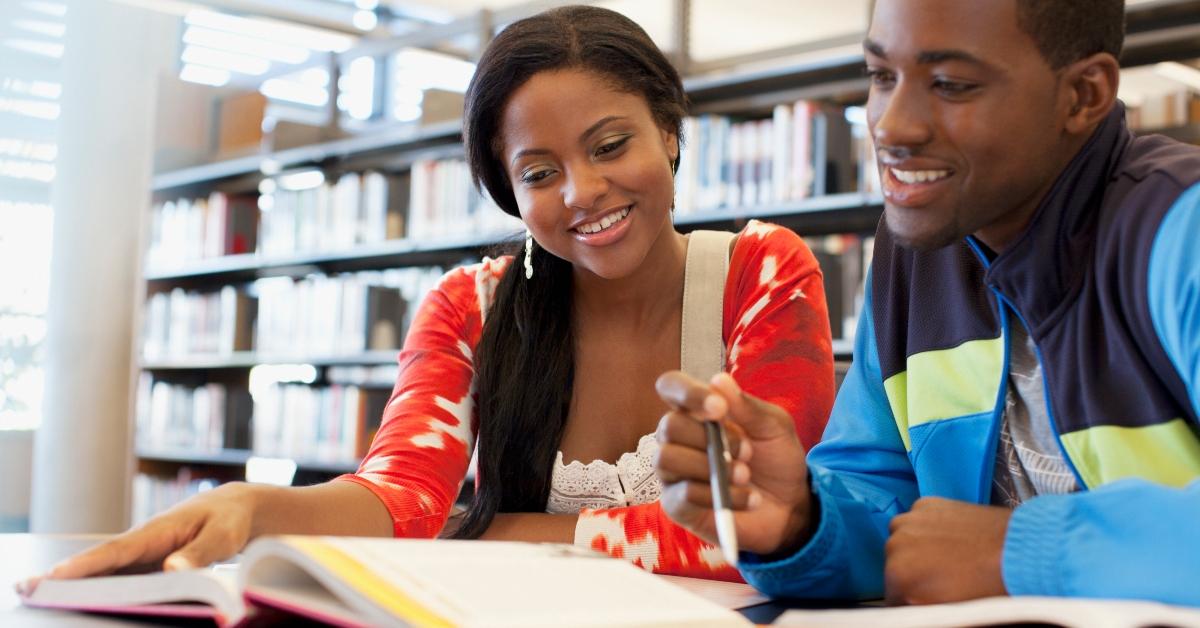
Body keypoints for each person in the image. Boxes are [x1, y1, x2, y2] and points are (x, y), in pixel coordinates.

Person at [32, 5, 835, 586]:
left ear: (667, 128)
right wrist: (255, 506)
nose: (583, 191)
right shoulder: (470, 306)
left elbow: (766, 523)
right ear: (509, 192)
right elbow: (403, 497)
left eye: (610, 145)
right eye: (540, 173)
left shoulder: (762, 271)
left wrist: (486, 530)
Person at [655, 0, 1200, 606]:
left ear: (1083, 95)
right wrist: (802, 521)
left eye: (950, 84)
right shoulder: (914, 251)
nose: (890, 126)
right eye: (882, 76)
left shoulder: (1181, 228)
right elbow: (888, 504)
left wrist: (1019, 551)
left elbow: (977, 552)